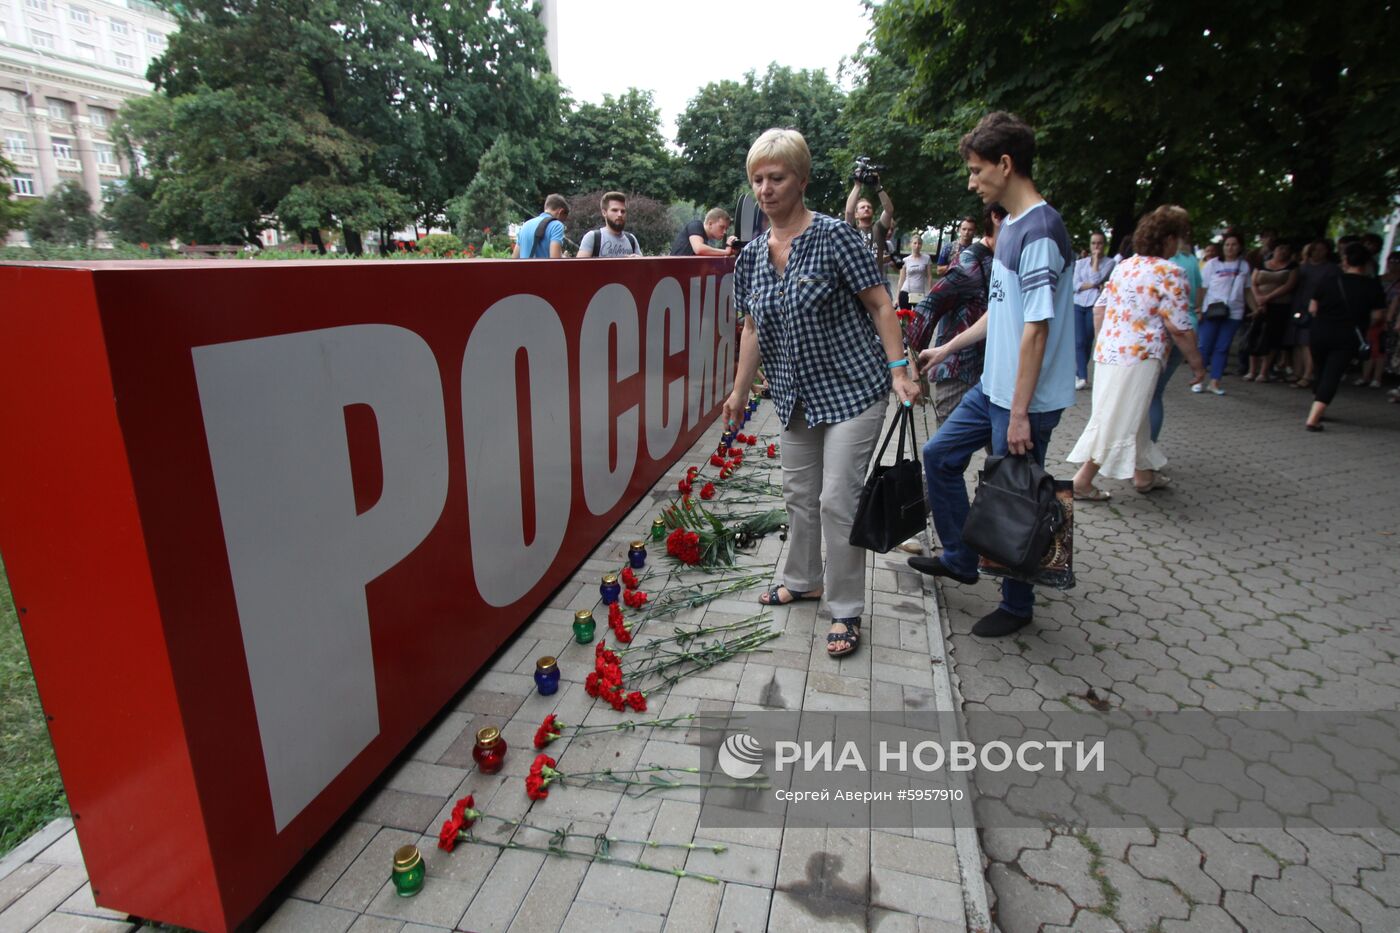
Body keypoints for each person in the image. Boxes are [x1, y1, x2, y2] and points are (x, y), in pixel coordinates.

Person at [723, 128, 919, 658]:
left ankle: (846, 607)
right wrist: (740, 393)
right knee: (798, 497)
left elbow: (881, 305)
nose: (766, 189)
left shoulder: (835, 236)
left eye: (777, 177)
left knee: (837, 500)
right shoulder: (749, 258)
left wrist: (899, 368)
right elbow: (752, 329)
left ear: (802, 180)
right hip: (794, 396)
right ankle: (803, 578)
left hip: (854, 389)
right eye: (758, 179)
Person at [910, 111, 1076, 639]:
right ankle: (961, 556)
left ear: (1006, 165)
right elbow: (1001, 314)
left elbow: (1037, 331)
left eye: (978, 169)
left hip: (1021, 400)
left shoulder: (1042, 232)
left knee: (1015, 496)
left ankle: (1018, 603)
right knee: (940, 456)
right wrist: (945, 348)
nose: (971, 180)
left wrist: (1021, 412)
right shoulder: (1011, 229)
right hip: (992, 388)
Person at [1066, 206, 1206, 499]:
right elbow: (1179, 327)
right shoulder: (1171, 272)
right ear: (1168, 238)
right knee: (1119, 418)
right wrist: (1198, 365)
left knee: (1130, 413)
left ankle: (1143, 475)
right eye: (1179, 237)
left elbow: (1099, 307)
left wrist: (1105, 340)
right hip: (1141, 356)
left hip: (1110, 353)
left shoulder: (1125, 266)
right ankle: (1081, 481)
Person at [908, 202, 1007, 425]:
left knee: (1002, 452)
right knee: (947, 456)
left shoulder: (1005, 258)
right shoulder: (969, 263)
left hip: (995, 371)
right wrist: (914, 365)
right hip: (959, 371)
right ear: (997, 218)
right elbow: (928, 307)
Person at [1305, 242, 1388, 430]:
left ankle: (1317, 405)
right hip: (1347, 335)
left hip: (1320, 331)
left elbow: (1312, 308)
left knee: (1320, 370)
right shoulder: (1372, 286)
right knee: (1332, 374)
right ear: (1366, 263)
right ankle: (1314, 417)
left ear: (1345, 260)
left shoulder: (1330, 280)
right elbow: (1378, 315)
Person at [1149, 232, 1203, 442]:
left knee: (1148, 397)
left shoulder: (1166, 266)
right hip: (1188, 327)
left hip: (1163, 337)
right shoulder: (1190, 262)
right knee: (1154, 395)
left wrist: (1196, 361)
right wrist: (1196, 362)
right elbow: (1199, 292)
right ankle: (1144, 460)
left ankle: (1143, 461)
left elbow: (1174, 324)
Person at [1194, 231, 1250, 395]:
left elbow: (1247, 290)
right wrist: (1198, 307)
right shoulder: (1213, 264)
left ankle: (1215, 381)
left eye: (1234, 245)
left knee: (1222, 347)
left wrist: (1256, 306)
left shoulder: (1244, 266)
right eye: (1227, 244)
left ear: (1239, 247)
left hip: (1234, 311)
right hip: (1212, 309)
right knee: (1205, 345)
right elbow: (1202, 288)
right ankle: (1198, 379)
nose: (1230, 248)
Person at [1247, 242, 1299, 382]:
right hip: (1259, 305)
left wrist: (1268, 297)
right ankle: (1252, 370)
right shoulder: (1262, 264)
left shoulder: (1292, 267)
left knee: (1272, 337)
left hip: (1279, 306)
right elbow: (1253, 282)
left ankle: (1264, 371)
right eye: (1280, 248)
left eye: (1286, 249)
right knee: (1255, 335)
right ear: (1274, 250)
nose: (1283, 251)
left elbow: (1289, 285)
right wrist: (1259, 299)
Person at [1287, 239, 1334, 388]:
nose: (1317, 253)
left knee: (1307, 342)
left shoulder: (1331, 269)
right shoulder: (1302, 267)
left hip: (1317, 309)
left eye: (1321, 249)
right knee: (1297, 341)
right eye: (1314, 250)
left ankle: (1308, 374)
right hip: (1298, 306)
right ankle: (1297, 371)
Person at [1071, 231, 1114, 389]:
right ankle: (1083, 376)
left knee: (1088, 340)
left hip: (1094, 305)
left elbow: (1097, 279)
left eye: (1099, 243)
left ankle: (1079, 372)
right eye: (1093, 243)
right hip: (1078, 304)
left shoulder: (1109, 263)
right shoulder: (1081, 263)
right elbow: (1074, 285)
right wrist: (1094, 285)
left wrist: (1095, 261)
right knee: (1079, 340)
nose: (1096, 246)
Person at [844, 175, 895, 273]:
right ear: (856, 214)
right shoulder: (852, 229)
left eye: (869, 207)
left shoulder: (879, 228)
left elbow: (889, 211)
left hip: (876, 280)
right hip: (857, 280)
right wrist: (857, 185)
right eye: (862, 208)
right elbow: (849, 212)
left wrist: (878, 187)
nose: (866, 208)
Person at [577, 192, 642, 257]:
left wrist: (637, 261)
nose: (620, 214)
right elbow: (579, 266)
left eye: (623, 211)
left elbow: (644, 265)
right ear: (604, 213)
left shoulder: (631, 239)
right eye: (614, 210)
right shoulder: (592, 237)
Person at [512, 194, 569, 259]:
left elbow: (515, 257)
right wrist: (564, 258)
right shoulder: (556, 225)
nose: (562, 223)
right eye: (563, 220)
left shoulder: (525, 225)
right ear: (560, 212)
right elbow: (555, 260)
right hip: (544, 269)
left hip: (525, 269)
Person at [671, 207, 737, 256]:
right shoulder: (696, 225)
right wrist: (726, 251)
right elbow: (699, 249)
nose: (725, 232)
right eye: (722, 227)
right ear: (710, 224)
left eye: (726, 228)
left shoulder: (705, 243)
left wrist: (728, 253)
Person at [897, 235, 933, 307]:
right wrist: (897, 297)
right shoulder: (905, 260)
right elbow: (901, 279)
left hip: (919, 294)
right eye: (915, 243)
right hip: (906, 291)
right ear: (911, 244)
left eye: (919, 243)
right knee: (906, 317)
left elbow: (929, 277)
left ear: (921, 245)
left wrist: (930, 293)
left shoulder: (926, 258)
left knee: (918, 317)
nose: (917, 245)